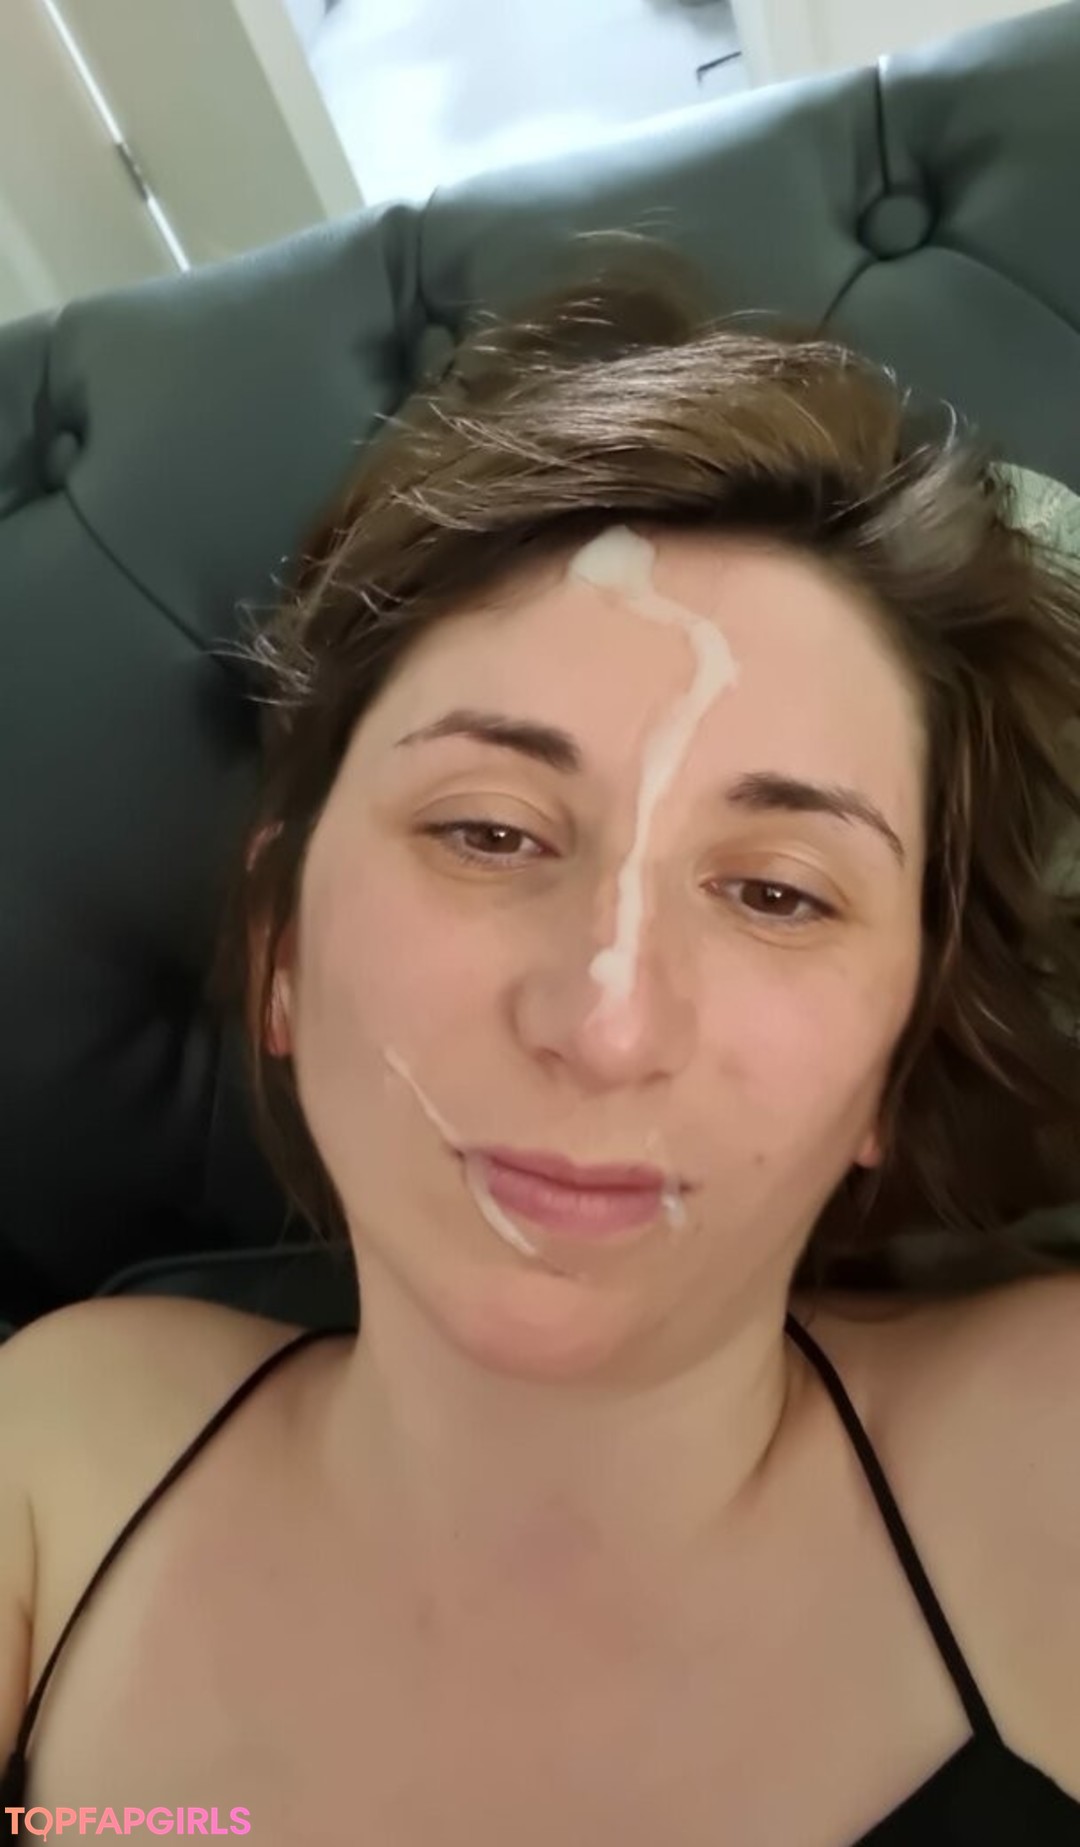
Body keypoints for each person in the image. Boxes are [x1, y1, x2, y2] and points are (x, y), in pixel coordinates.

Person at [2, 240, 1080, 1844]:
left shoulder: (1053, 1455)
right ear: (281, 945)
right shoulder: (55, 1455)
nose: (606, 1021)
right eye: (491, 833)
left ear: (896, 1059)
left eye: (779, 892)